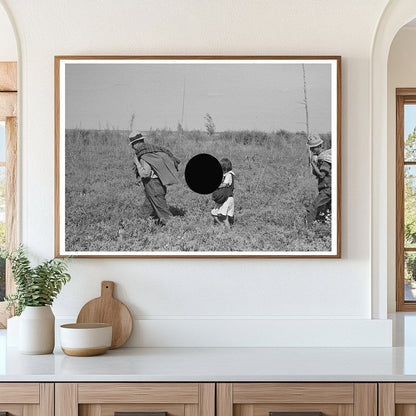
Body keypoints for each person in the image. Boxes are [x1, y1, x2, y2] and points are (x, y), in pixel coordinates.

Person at [129, 130, 180, 225]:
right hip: (157, 186)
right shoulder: (152, 151)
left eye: (132, 144)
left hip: (153, 187)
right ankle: (136, 226)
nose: (132, 147)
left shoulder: (144, 155)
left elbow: (145, 174)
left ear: (136, 144)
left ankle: (176, 229)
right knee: (145, 212)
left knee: (165, 214)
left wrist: (137, 162)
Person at [306, 134, 332, 225]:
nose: (312, 150)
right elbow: (315, 173)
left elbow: (321, 175)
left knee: (313, 207)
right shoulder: (321, 158)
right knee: (327, 210)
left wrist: (312, 163)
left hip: (327, 188)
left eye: (314, 148)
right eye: (311, 148)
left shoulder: (325, 159)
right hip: (327, 187)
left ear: (320, 146)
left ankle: (307, 229)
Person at [211, 158, 235, 229]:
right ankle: (222, 225)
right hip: (223, 198)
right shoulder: (225, 175)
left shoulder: (229, 175)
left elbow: (224, 184)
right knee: (214, 214)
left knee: (224, 217)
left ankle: (228, 233)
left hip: (227, 198)